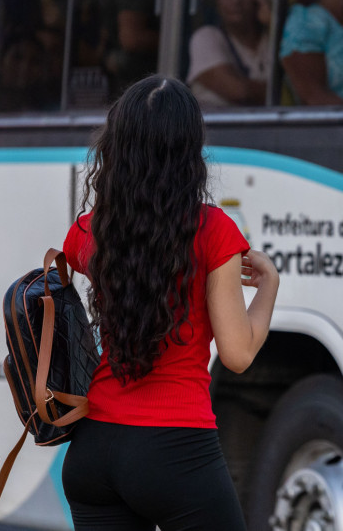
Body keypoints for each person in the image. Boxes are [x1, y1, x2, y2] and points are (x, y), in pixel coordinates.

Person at [61, 75, 280, 530]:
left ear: (117, 147)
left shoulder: (88, 232)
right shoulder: (213, 232)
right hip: (176, 450)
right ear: (188, 152)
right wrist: (268, 286)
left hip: (93, 449)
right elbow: (238, 354)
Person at [187, 0, 271, 106]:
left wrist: (272, 21)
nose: (235, 1)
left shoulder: (272, 39)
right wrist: (280, 91)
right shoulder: (206, 37)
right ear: (217, 2)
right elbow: (238, 92)